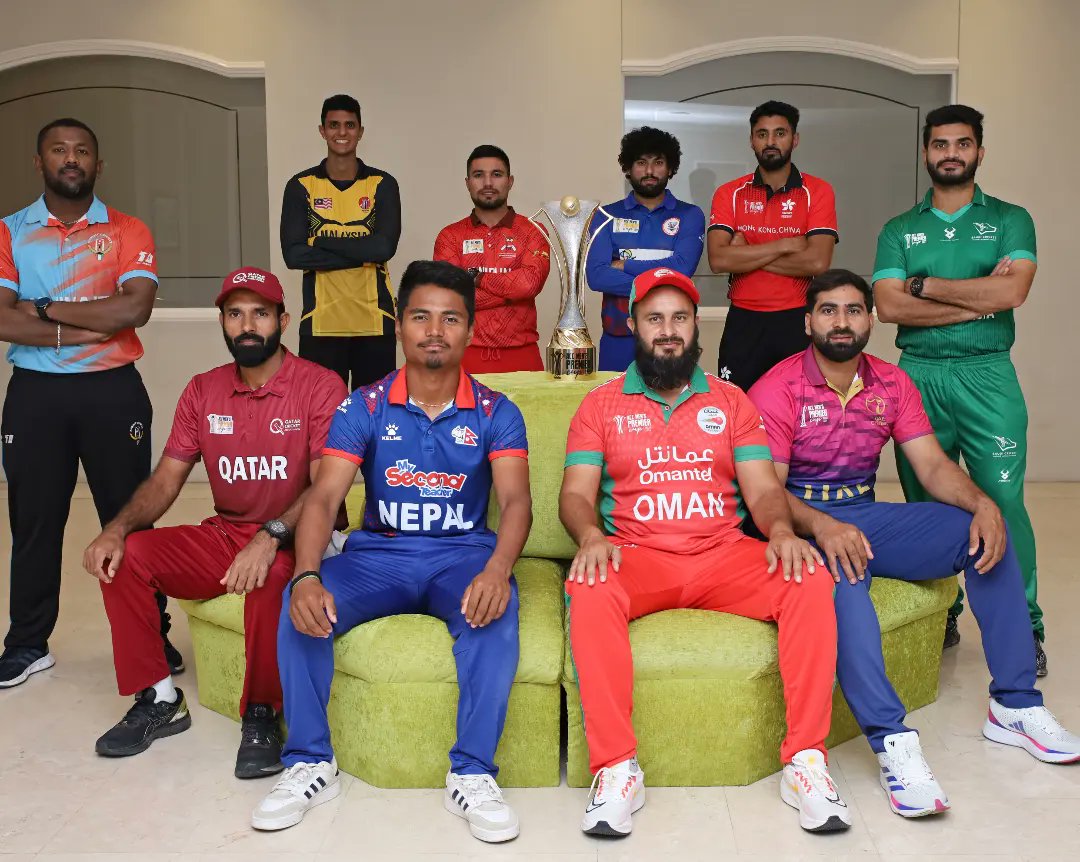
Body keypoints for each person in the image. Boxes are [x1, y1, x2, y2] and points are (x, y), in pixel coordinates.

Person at [749, 269, 1080, 819]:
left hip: (865, 515)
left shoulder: (891, 383)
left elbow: (931, 465)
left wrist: (981, 503)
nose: (841, 321)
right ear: (808, 322)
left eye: (853, 310)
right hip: (803, 524)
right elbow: (767, 492)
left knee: (983, 533)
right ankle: (892, 743)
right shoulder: (777, 388)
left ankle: (1015, 705)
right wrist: (823, 527)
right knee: (845, 579)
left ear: (870, 319)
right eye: (828, 310)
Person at [560, 266, 849, 837]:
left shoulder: (731, 401)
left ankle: (805, 762)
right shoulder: (600, 405)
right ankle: (616, 768)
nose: (668, 331)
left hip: (723, 553)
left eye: (680, 319)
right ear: (633, 325)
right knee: (588, 586)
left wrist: (781, 532)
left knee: (809, 578)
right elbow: (574, 494)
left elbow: (762, 490)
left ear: (696, 327)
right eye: (654, 319)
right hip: (637, 554)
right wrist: (591, 536)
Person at [252, 260, 532, 843]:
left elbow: (515, 502)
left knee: (494, 613)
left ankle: (472, 773)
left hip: (463, 555)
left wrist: (498, 569)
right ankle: (309, 762)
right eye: (421, 317)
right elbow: (324, 497)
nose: (435, 331)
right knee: (301, 604)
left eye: (450, 318)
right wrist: (306, 575)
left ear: (470, 328)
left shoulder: (497, 411)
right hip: (378, 556)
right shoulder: (364, 405)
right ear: (400, 325)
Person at [83, 267, 346, 777]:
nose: (247, 325)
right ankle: (160, 700)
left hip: (301, 538)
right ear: (222, 322)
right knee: (127, 556)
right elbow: (165, 480)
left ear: (283, 321)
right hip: (226, 534)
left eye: (260, 313)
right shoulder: (203, 390)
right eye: (234, 314)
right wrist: (116, 528)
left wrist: (270, 536)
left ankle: (262, 713)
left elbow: (325, 489)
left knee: (271, 576)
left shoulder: (319, 386)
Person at [0, 117, 180, 689]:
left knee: (130, 518)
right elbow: (1, 318)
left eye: (81, 151)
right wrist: (85, 325)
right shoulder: (9, 231)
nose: (71, 158)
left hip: (112, 391)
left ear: (98, 165)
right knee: (34, 521)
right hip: (35, 395)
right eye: (59, 149)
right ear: (40, 162)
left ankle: (151, 635)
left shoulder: (127, 229)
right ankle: (27, 643)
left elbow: (133, 309)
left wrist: (42, 308)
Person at [871, 105, 1045, 672]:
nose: (951, 153)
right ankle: (941, 611)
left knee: (1003, 500)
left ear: (979, 151)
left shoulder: (1011, 219)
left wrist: (925, 287)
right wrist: (975, 298)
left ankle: (1025, 625)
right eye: (940, 144)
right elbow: (889, 307)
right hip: (917, 375)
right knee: (928, 504)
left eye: (962, 144)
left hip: (988, 373)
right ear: (926, 152)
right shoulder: (899, 228)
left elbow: (1012, 294)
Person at [708, 101, 838, 391]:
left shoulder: (818, 191)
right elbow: (718, 260)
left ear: (795, 139)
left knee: (799, 408)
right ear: (751, 140)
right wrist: (785, 245)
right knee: (739, 406)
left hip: (797, 319)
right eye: (762, 134)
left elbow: (817, 263)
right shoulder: (729, 193)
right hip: (743, 320)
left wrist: (744, 252)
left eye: (780, 133)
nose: (771, 142)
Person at [280, 93, 401, 389]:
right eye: (334, 125)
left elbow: (384, 248)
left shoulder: (383, 184)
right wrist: (363, 252)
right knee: (323, 414)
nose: (342, 132)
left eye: (349, 125)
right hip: (320, 326)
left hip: (375, 324)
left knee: (373, 415)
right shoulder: (300, 186)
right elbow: (294, 256)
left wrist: (320, 241)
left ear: (361, 131)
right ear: (322, 131)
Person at [585, 127, 704, 372]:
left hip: (671, 339)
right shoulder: (604, 216)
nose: (649, 171)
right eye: (641, 163)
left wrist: (624, 265)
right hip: (618, 337)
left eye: (658, 162)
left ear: (670, 168)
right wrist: (664, 280)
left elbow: (683, 269)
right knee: (615, 398)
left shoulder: (690, 215)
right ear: (628, 168)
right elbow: (597, 276)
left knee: (673, 398)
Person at [434, 144, 550, 373]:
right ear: (468, 183)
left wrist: (477, 279)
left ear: (510, 181)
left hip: (523, 357)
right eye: (479, 175)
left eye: (496, 174)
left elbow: (529, 284)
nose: (488, 183)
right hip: (464, 356)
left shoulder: (534, 231)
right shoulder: (450, 236)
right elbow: (452, 299)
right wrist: (511, 295)